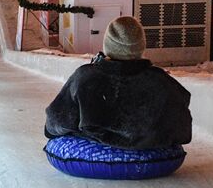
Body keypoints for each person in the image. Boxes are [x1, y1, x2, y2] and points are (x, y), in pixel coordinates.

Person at [44, 16, 192, 149]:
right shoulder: (161, 81)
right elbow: (183, 130)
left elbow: (57, 121)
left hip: (97, 152)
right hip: (153, 158)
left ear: (107, 45)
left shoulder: (86, 76)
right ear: (141, 47)